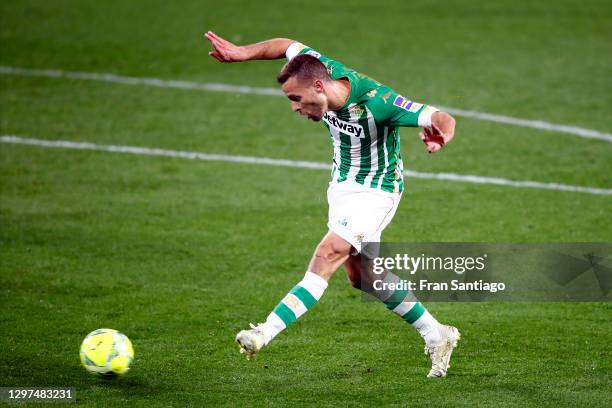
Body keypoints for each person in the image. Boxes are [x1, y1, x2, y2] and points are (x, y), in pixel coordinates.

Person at [205, 31, 459, 378]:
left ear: (319, 87)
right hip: (342, 188)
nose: (295, 107)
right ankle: (437, 334)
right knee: (365, 278)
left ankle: (263, 332)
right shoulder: (318, 66)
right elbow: (285, 44)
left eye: (296, 98)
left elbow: (441, 117)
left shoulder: (379, 102)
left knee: (328, 254)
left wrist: (440, 134)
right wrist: (243, 53)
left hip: (376, 193)